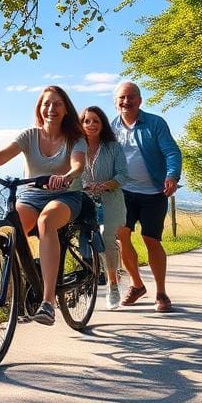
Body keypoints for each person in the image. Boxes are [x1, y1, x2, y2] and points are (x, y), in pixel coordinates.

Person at [0, 86, 86, 326]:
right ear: (39, 108)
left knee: (46, 222)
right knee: (11, 229)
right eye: (46, 104)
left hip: (66, 196)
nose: (51, 109)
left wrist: (67, 176)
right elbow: (6, 153)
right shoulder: (30, 135)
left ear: (66, 109)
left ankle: (48, 302)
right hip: (31, 196)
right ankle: (20, 290)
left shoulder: (75, 138)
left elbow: (78, 164)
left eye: (57, 104)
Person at [111, 82, 182, 313]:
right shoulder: (111, 128)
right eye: (122, 97)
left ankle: (161, 292)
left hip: (153, 191)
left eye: (131, 97)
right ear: (116, 102)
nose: (126, 101)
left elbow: (171, 151)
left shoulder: (155, 123)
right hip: (123, 192)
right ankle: (137, 285)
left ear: (140, 101)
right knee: (122, 236)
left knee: (151, 240)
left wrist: (172, 175)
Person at [79, 106, 129, 311]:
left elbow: (123, 175)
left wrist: (107, 184)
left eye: (95, 121)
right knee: (80, 237)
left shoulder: (113, 147)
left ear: (103, 125)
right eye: (86, 121)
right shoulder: (75, 147)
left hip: (111, 199)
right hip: (84, 200)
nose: (91, 125)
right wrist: (84, 186)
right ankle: (83, 279)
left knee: (106, 237)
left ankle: (113, 284)